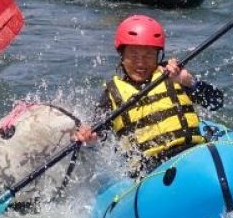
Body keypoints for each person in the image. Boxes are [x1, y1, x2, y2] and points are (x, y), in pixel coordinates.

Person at [73, 15, 223, 177]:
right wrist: (89, 136)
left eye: (148, 56)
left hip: (192, 154)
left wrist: (189, 82)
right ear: (122, 56)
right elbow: (98, 134)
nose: (141, 63)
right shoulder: (111, 94)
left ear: (158, 56)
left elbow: (216, 102)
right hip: (150, 172)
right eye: (134, 55)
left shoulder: (172, 74)